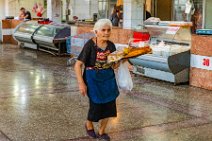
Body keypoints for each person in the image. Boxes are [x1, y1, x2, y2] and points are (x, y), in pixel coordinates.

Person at [74, 19, 120, 141]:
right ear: (96, 32)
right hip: (92, 78)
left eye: (108, 30)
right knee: (96, 105)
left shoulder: (111, 45)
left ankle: (101, 131)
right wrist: (81, 83)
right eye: (103, 30)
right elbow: (77, 65)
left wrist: (122, 60)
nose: (106, 32)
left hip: (108, 78)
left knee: (110, 106)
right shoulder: (90, 45)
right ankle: (88, 123)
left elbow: (114, 66)